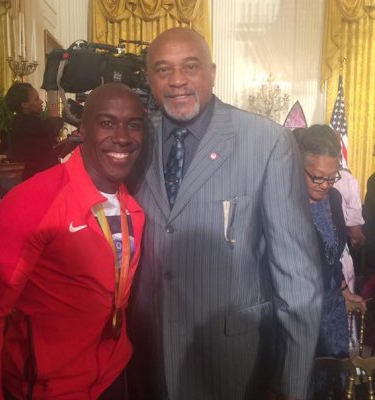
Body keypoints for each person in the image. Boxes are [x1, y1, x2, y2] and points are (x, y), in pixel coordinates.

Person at [126, 28, 323, 400]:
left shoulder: (267, 143)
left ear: (213, 72)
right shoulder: (135, 141)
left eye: (191, 66)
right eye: (163, 70)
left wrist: (292, 386)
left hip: (235, 367)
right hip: (146, 362)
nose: (177, 81)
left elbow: (297, 282)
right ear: (149, 78)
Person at [0, 83, 145, 400]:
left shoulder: (135, 206)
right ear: (82, 130)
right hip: (47, 388)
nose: (122, 136)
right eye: (106, 122)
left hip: (113, 376)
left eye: (133, 124)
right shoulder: (32, 201)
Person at [294, 125, 366, 396]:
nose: (325, 185)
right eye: (317, 178)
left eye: (331, 177)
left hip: (332, 308)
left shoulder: (334, 199)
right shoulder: (286, 201)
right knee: (302, 379)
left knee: (332, 378)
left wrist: (345, 290)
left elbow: (332, 254)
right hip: (299, 310)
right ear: (299, 167)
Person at [5, 82, 64, 180]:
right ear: (25, 104)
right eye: (36, 99)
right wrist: (54, 118)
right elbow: (49, 129)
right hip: (36, 177)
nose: (41, 102)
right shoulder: (21, 122)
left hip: (45, 175)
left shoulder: (32, 121)